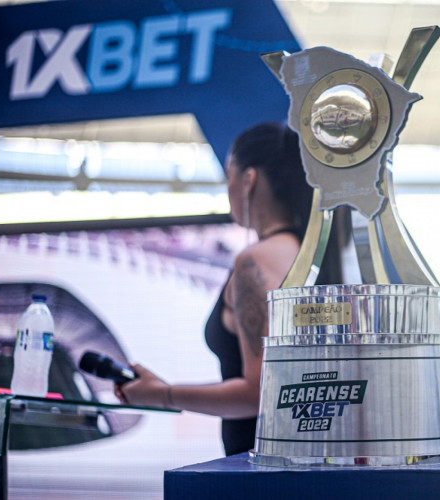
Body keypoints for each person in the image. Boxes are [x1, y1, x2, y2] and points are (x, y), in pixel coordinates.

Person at [116, 121, 345, 455]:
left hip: (260, 469)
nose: (227, 190)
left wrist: (163, 394)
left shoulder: (257, 261)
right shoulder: (317, 256)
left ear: (248, 180)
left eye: (229, 177)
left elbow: (261, 391)